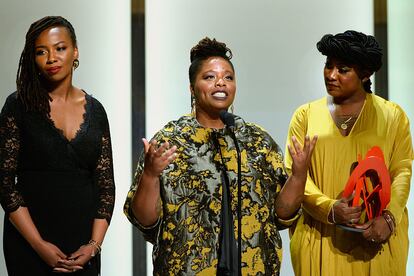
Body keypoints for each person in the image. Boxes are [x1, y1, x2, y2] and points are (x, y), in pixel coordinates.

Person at [124, 37, 317, 275]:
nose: (220, 83)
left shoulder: (256, 140)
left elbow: (281, 216)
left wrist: (298, 176)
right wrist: (151, 175)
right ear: (192, 88)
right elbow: (145, 220)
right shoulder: (171, 140)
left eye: (228, 77)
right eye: (209, 77)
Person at [285, 30, 413, 276]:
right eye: (328, 66)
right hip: (320, 236)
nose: (331, 75)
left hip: (376, 236)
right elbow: (296, 174)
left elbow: (402, 171)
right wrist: (329, 209)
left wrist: (389, 219)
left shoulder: (392, 115)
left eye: (343, 69)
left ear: (366, 74)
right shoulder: (305, 115)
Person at [0, 16, 115, 275]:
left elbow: (106, 186)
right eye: (42, 52)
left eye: (60, 48)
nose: (52, 58)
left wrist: (94, 246)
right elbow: (5, 185)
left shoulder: (96, 112)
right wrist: (39, 245)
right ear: (33, 59)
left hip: (83, 249)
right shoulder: (17, 106)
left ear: (75, 51)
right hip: (29, 245)